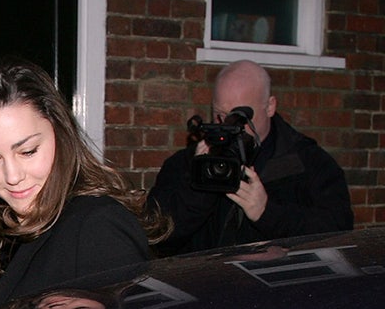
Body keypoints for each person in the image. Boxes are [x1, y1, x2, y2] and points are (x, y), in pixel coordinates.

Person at [0, 59, 168, 308]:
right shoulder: (9, 231)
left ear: (61, 135)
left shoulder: (98, 225)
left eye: (28, 151)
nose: (12, 176)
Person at [148, 59, 353, 255]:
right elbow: (156, 235)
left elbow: (338, 234)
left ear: (270, 106)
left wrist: (266, 212)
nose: (228, 126)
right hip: (205, 286)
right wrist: (199, 186)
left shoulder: (309, 164)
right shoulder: (184, 163)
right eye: (220, 115)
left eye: (239, 118)